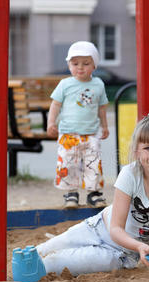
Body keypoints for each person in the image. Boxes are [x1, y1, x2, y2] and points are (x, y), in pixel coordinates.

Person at [36, 113, 149, 280]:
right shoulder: (130, 174)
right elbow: (116, 228)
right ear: (136, 150)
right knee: (40, 251)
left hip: (121, 253)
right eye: (148, 148)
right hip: (96, 228)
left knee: (51, 263)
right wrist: (139, 245)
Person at [47, 41, 109, 209]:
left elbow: (101, 108)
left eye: (86, 64)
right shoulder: (65, 84)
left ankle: (93, 193)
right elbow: (55, 105)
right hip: (69, 133)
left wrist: (105, 126)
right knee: (68, 163)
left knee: (93, 163)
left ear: (94, 65)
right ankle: (71, 193)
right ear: (69, 65)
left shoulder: (98, 84)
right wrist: (51, 122)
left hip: (91, 133)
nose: (80, 68)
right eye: (75, 64)